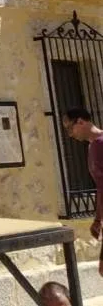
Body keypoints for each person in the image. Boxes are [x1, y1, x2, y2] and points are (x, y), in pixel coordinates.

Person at [62, 106, 103, 277]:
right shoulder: (92, 146)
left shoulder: (100, 144)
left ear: (80, 121)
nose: (70, 134)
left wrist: (98, 219)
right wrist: (98, 219)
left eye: (70, 128)